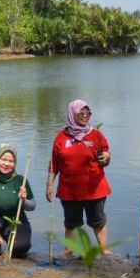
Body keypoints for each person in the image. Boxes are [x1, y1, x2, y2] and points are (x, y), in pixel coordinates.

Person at [46, 99, 111, 254]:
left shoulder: (96, 135)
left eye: (88, 113)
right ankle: (69, 249)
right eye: (81, 113)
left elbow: (107, 157)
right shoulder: (61, 137)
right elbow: (54, 164)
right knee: (71, 222)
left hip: (94, 189)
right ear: (72, 114)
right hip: (69, 190)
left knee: (98, 221)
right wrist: (49, 184)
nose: (85, 116)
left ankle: (104, 250)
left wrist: (107, 157)